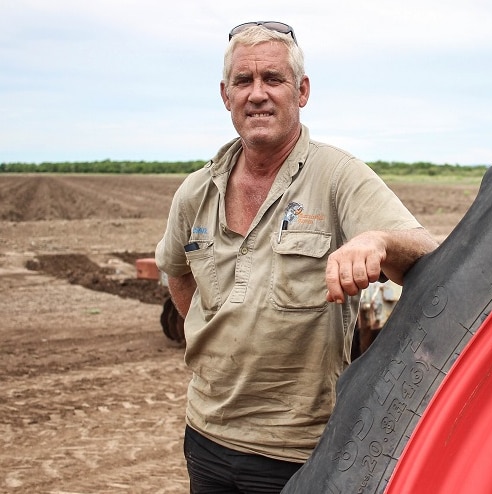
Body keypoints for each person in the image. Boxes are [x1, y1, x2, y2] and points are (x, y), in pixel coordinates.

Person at [155, 21, 438, 493]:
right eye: (244, 81)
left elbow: (428, 252)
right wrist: (217, 337)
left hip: (299, 452)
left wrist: (380, 242)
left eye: (273, 79)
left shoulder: (337, 176)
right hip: (205, 436)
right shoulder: (196, 191)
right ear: (226, 96)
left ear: (301, 91)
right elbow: (177, 273)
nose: (258, 94)